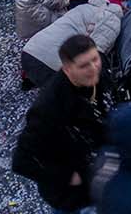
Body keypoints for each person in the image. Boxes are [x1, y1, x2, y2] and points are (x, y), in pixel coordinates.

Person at [11, 33, 109, 214]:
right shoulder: (48, 108)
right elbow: (21, 162)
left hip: (94, 182)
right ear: (67, 69)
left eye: (95, 59)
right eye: (84, 65)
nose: (94, 68)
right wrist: (68, 177)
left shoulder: (97, 74)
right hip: (70, 197)